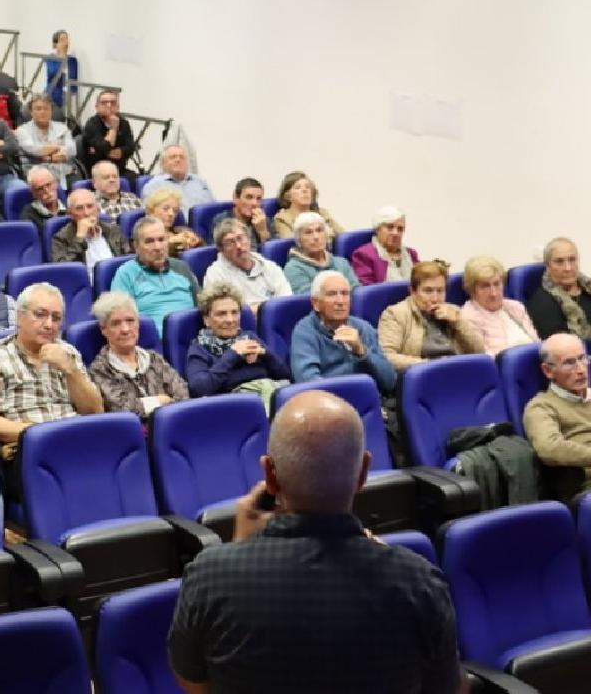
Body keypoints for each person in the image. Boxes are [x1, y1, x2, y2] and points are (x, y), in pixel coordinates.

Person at [167, 390, 463, 694]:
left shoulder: (210, 578)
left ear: (269, 474)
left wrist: (239, 550)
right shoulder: (418, 582)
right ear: (362, 472)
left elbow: (195, 684)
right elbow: (449, 689)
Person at [0, 283, 103, 494]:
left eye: (56, 318)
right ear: (20, 317)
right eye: (40, 315)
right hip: (31, 450)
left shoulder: (68, 353)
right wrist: (41, 434)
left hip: (78, 441)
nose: (49, 324)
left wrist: (70, 370)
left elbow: (94, 411)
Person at [87, 292, 188, 425]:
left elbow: (182, 395)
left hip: (171, 428)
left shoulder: (154, 358)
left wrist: (147, 405)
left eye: (130, 320)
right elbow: (123, 410)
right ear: (104, 329)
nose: (125, 329)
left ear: (138, 323)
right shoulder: (99, 369)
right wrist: (161, 401)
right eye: (116, 323)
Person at [185, 282, 292, 407]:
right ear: (207, 320)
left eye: (234, 312)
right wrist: (233, 354)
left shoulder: (249, 337)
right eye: (221, 314)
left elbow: (286, 375)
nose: (230, 320)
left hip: (270, 394)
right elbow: (199, 389)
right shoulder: (200, 348)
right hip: (235, 405)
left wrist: (266, 355)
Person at [289, 271, 397, 395]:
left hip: (368, 402)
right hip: (328, 406)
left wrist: (362, 351)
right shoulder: (305, 332)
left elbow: (390, 382)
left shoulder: (363, 328)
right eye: (332, 294)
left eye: (345, 294)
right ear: (316, 303)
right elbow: (308, 384)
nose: (340, 301)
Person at [378, 260, 484, 374]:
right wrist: (428, 365)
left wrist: (458, 322)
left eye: (440, 291)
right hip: (423, 376)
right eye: (428, 291)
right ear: (413, 291)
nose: (435, 298)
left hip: (456, 372)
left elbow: (479, 350)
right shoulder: (396, 314)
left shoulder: (453, 311)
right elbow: (386, 357)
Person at [522, 334, 591, 502]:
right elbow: (550, 448)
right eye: (569, 363)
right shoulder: (541, 406)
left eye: (582, 358)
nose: (581, 369)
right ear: (548, 370)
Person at [111, 216, 200, 336]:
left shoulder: (181, 267)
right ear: (136, 246)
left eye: (161, 239)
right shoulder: (125, 274)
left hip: (193, 339)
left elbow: (202, 305)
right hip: (154, 344)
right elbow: (121, 320)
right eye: (149, 241)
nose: (157, 247)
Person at [204, 218, 292, 310]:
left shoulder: (269, 266)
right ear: (221, 250)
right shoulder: (215, 274)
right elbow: (227, 313)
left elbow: (285, 302)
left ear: (249, 239)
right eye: (230, 242)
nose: (238, 246)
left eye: (240, 238)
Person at [459, 255, 539, 356]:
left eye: (497, 284)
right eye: (485, 286)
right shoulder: (467, 318)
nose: (494, 293)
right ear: (472, 290)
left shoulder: (516, 307)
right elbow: (488, 361)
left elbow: (537, 345)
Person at [527, 237, 591, 340]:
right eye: (559, 262)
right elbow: (562, 347)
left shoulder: (587, 288)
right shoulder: (542, 302)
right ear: (548, 265)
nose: (568, 268)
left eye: (572, 259)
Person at [283, 211, 360, 295]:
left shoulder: (341, 263)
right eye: (308, 232)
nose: (316, 237)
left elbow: (357, 292)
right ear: (299, 240)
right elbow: (309, 300)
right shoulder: (293, 268)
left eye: (319, 230)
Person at [51, 188, 129, 270]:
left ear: (98, 209)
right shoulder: (60, 238)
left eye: (90, 206)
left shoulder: (113, 229)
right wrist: (80, 238)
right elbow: (64, 270)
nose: (86, 213)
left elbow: (129, 258)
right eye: (79, 208)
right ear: (70, 214)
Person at [351, 206, 420, 285]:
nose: (395, 233)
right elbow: (368, 291)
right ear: (377, 229)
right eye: (390, 227)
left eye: (400, 229)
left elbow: (422, 282)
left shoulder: (411, 254)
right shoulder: (363, 255)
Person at [15, 95, 74, 187]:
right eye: (38, 109)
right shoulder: (22, 130)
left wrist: (49, 158)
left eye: (46, 109)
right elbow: (34, 150)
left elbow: (71, 149)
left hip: (62, 170)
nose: (43, 112)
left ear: (51, 111)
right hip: (35, 172)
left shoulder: (62, 128)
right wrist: (58, 147)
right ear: (31, 112)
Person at [272, 170, 344, 241]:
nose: (304, 190)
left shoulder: (322, 213)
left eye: (308, 187)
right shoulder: (283, 218)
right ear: (287, 196)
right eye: (298, 188)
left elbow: (343, 235)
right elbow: (291, 243)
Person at [82, 91, 136, 182]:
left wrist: (121, 151)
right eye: (104, 103)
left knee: (135, 179)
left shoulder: (124, 123)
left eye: (113, 103)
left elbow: (131, 147)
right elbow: (103, 147)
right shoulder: (91, 124)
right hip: (97, 171)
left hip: (119, 169)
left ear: (118, 107)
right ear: (97, 107)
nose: (109, 105)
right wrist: (113, 128)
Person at [145, 144, 213, 215]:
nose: (178, 160)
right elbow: (150, 218)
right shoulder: (153, 186)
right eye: (173, 157)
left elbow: (214, 208)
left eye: (182, 157)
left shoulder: (200, 182)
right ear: (162, 164)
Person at [211, 177, 271, 248]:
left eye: (258, 198)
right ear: (235, 198)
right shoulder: (222, 221)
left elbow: (273, 253)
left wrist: (263, 232)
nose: (254, 203)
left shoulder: (263, 220)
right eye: (249, 197)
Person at [144, 187, 204, 255]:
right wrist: (173, 243)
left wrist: (196, 240)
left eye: (175, 210)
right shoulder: (143, 235)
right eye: (165, 209)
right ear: (151, 211)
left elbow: (203, 249)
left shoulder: (182, 231)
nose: (171, 214)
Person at [21, 166, 65, 232]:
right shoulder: (28, 216)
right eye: (40, 189)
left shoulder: (70, 206)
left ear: (56, 184)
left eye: (48, 185)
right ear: (34, 193)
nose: (47, 191)